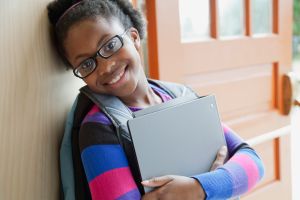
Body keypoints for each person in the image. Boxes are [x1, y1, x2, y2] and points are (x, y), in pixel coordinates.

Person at [47, 0, 264, 199]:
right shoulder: (98, 128)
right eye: (86, 64)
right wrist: (222, 181)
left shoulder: (179, 96)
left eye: (110, 45)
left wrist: (197, 188)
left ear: (133, 38)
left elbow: (252, 161)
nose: (105, 67)